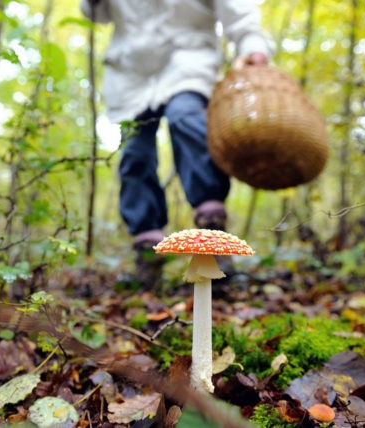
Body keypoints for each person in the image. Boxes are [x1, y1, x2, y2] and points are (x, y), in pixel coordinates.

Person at [80, 0, 272, 288]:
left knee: (186, 118)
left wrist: (252, 44)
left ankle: (212, 236)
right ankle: (147, 254)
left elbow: (236, 10)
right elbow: (97, 14)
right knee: (134, 152)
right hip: (131, 73)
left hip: (189, 60)